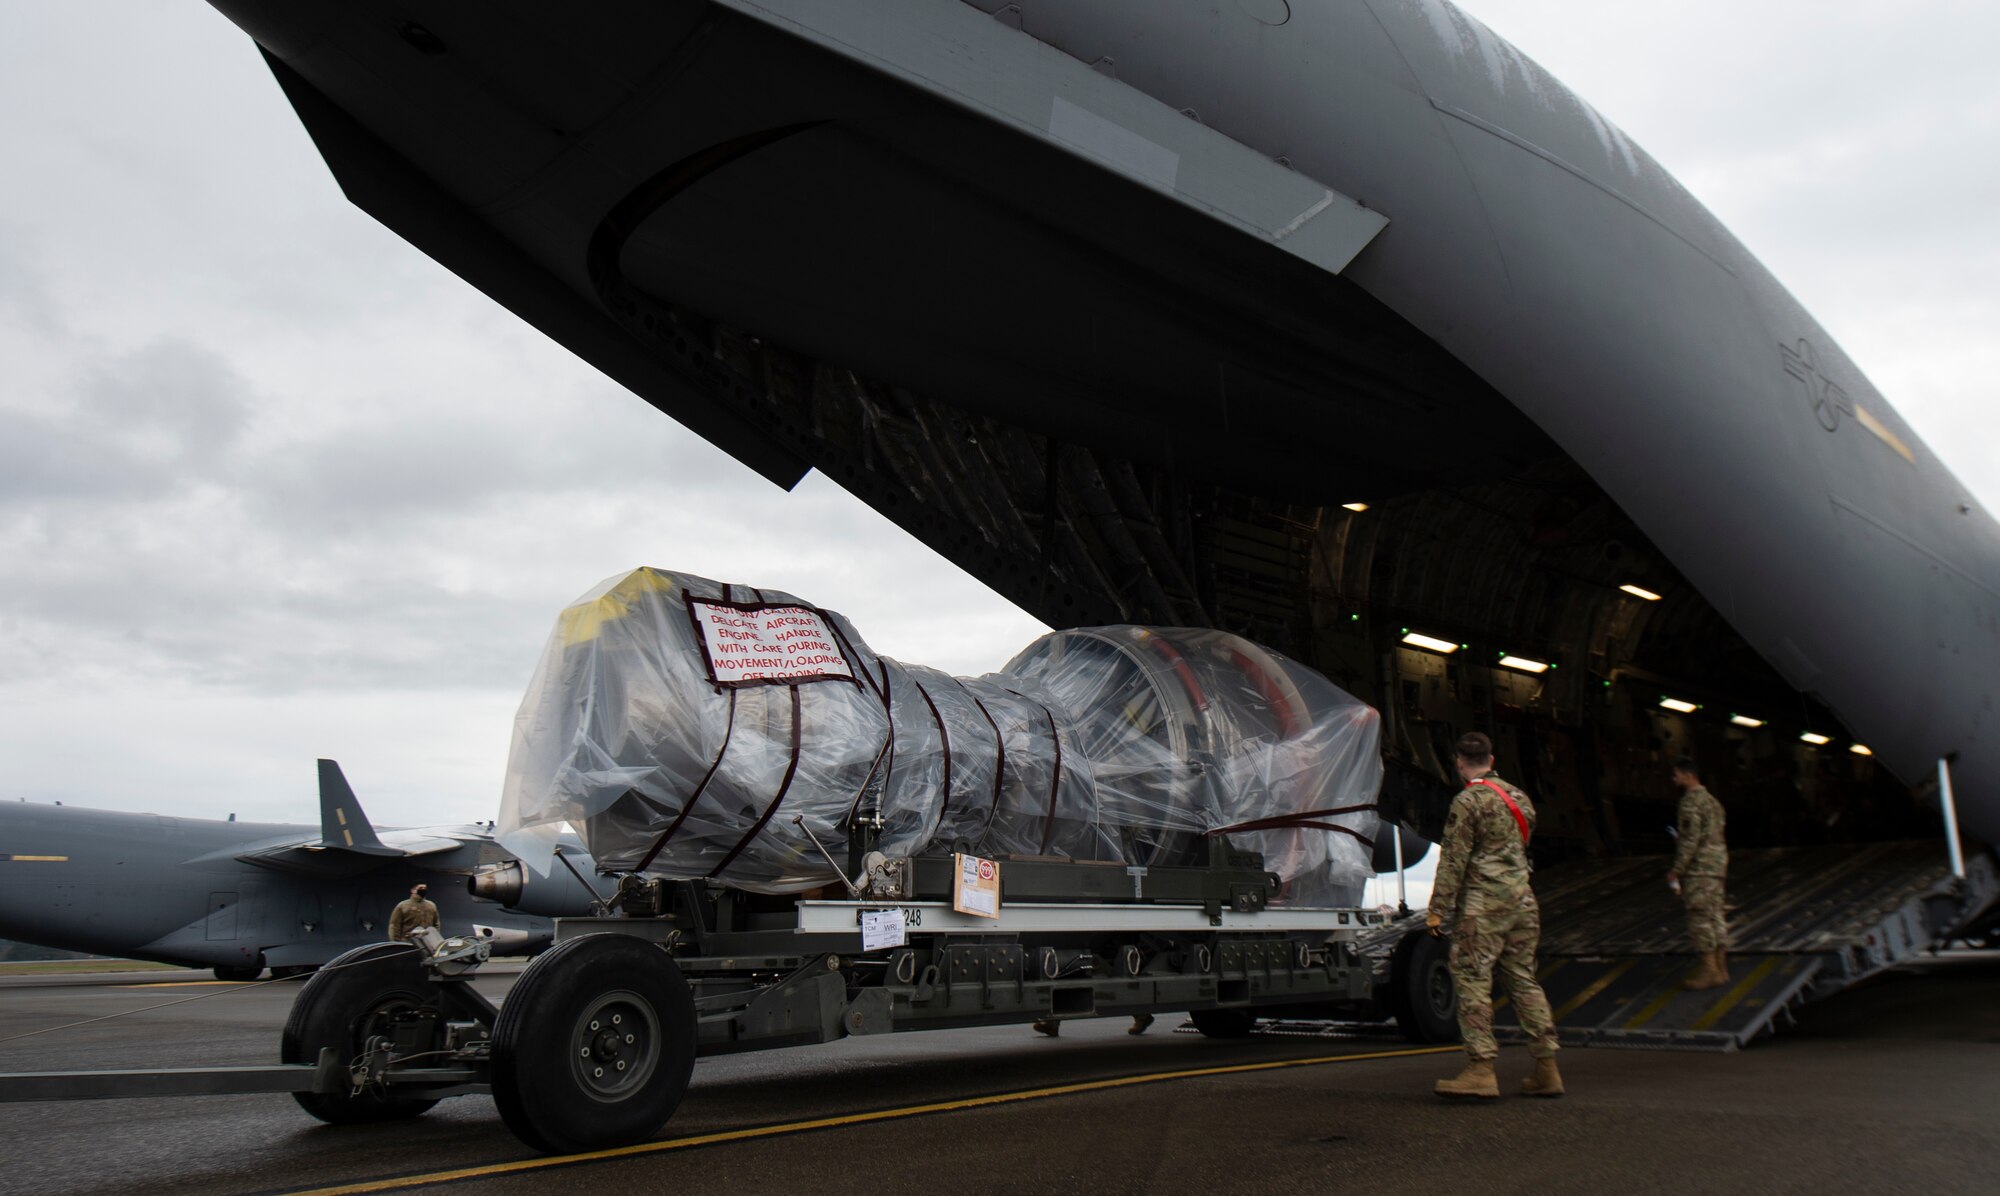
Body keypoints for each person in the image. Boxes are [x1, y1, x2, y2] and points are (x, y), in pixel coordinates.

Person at [1426, 731, 1563, 1099]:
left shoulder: (1468, 801)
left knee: (1472, 980)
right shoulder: (1519, 797)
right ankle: (1547, 1067)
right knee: (1523, 979)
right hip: (1522, 903)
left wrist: (1438, 910)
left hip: (1483, 907)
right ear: (1492, 757)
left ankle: (1480, 1068)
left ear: (1458, 761)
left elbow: (1453, 859)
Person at [1666, 755, 1729, 990]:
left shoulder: (1690, 801)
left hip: (1699, 868)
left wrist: (1677, 869)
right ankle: (1722, 970)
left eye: (1676, 774)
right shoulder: (1713, 802)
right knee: (1715, 915)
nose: (1674, 779)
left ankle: (1710, 970)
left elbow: (1691, 839)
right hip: (1716, 866)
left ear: (1688, 775)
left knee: (1699, 918)